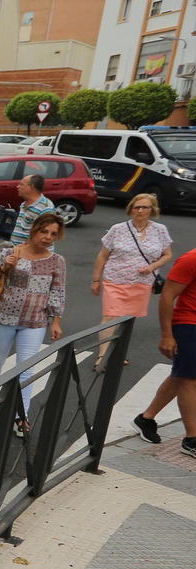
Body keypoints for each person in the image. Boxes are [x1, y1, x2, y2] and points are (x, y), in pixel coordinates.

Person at [0, 213, 66, 436]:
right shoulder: (10, 252)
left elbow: (57, 292)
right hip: (3, 318)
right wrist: (3, 268)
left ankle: (22, 416)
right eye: (43, 231)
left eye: (53, 234)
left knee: (26, 368)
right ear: (33, 230)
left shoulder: (57, 261)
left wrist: (56, 321)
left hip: (35, 322)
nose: (47, 237)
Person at [90, 193, 173, 370]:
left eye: (145, 207)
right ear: (131, 209)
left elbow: (167, 255)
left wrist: (152, 267)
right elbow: (102, 255)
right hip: (115, 280)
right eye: (137, 207)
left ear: (152, 210)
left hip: (142, 283)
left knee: (126, 320)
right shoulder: (118, 229)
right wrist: (96, 280)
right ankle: (102, 356)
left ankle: (117, 354)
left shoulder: (160, 230)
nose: (141, 210)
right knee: (110, 316)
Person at [133, 245, 196, 457]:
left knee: (180, 375)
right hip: (189, 325)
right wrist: (167, 335)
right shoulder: (191, 260)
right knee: (190, 379)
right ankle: (191, 439)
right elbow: (167, 297)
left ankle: (146, 419)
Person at [11, 173, 55, 245]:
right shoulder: (24, 204)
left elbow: (44, 236)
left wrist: (23, 248)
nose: (18, 187)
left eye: (21, 184)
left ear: (31, 187)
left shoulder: (46, 207)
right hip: (19, 251)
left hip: (34, 253)